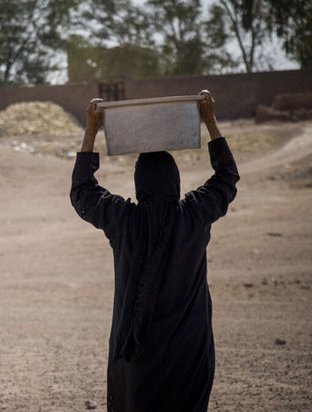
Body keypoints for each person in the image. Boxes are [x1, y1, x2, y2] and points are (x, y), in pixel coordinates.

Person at [70, 90, 239, 411]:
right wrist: (210, 122)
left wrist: (91, 131)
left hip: (138, 359)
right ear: (174, 181)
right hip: (189, 353)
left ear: (139, 184)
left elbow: (82, 191)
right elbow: (227, 177)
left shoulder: (123, 220)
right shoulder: (194, 215)